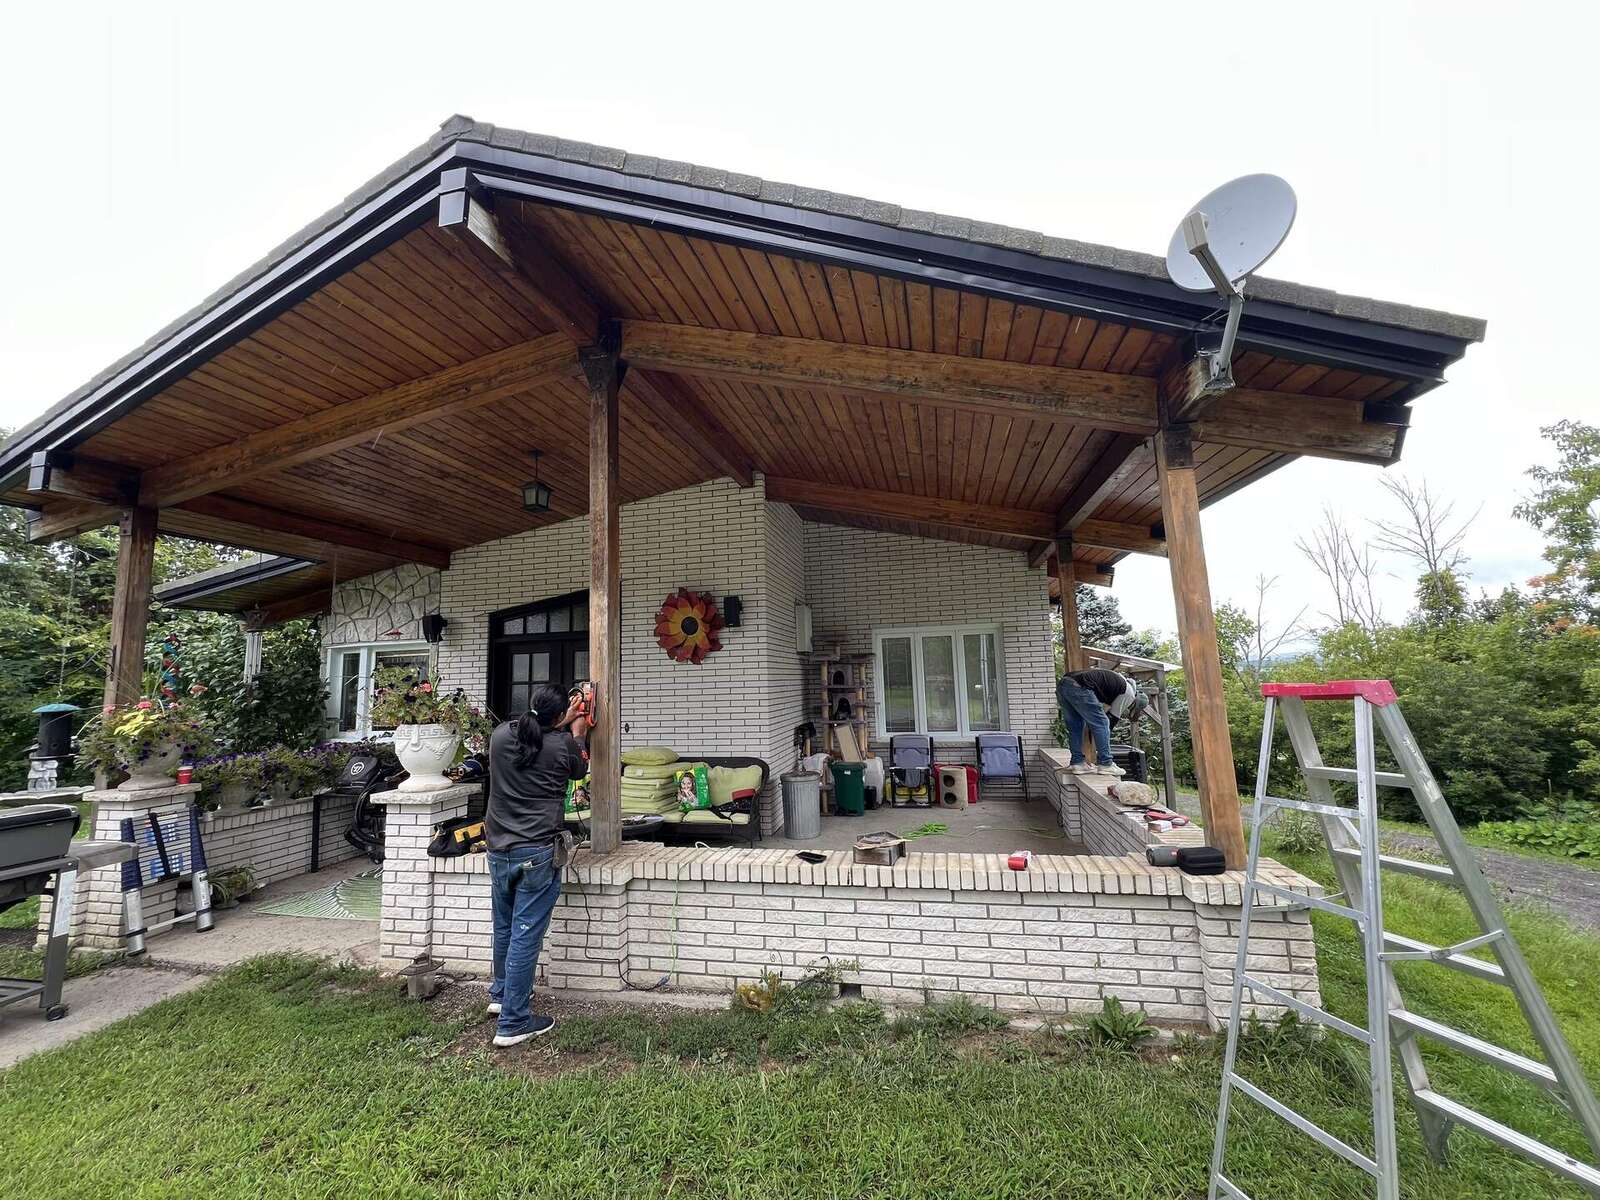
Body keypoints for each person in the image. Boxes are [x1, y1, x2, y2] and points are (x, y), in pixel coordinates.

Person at [484, 683, 590, 1047]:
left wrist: (561, 723)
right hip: (536, 853)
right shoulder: (563, 746)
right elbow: (578, 769)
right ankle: (513, 1023)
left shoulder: (500, 736)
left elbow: (532, 738)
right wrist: (577, 732)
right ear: (560, 717)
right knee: (526, 933)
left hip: (498, 849)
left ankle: (501, 997)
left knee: (505, 927)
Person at [1056, 668, 1149, 776]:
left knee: (1076, 726)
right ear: (1135, 703)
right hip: (1080, 687)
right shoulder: (1129, 695)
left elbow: (1099, 709)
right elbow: (1111, 719)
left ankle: (1077, 763)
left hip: (1064, 685)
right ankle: (1106, 764)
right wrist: (1101, 732)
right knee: (1103, 724)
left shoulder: (1118, 683)